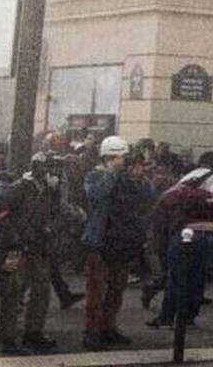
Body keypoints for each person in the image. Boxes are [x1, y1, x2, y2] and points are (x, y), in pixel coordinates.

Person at [0, 154, 62, 355]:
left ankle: (33, 333)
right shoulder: (19, 188)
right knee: (12, 292)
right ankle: (8, 337)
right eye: (48, 168)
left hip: (38, 246)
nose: (52, 173)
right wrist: (15, 237)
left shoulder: (48, 190)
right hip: (17, 247)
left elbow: (54, 213)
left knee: (41, 291)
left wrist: (56, 193)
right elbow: (1, 216)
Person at [81, 135, 143, 351]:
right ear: (109, 157)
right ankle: (92, 332)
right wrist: (111, 173)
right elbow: (97, 196)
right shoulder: (94, 176)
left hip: (120, 240)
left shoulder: (125, 178)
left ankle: (108, 327)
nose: (124, 161)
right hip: (99, 241)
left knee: (117, 289)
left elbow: (140, 200)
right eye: (121, 157)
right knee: (96, 291)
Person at [149, 168, 213, 329]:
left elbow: (159, 224)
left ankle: (166, 318)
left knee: (176, 278)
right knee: (198, 278)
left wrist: (160, 248)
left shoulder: (170, 195)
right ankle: (189, 317)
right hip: (209, 235)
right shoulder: (206, 196)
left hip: (185, 236)